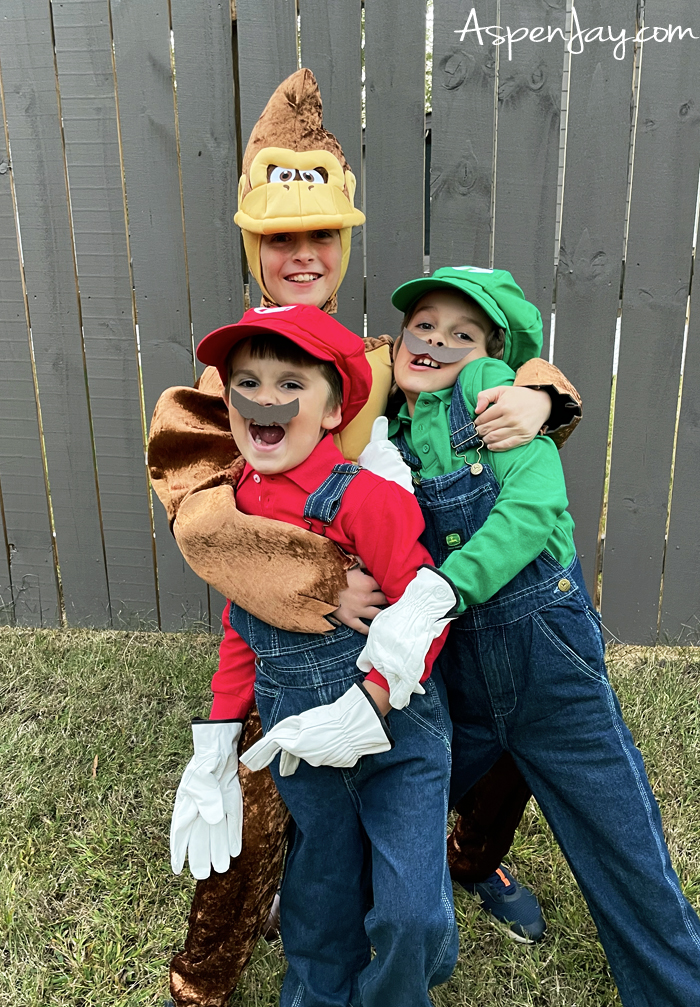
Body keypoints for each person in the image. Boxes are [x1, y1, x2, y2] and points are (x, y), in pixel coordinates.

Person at [150, 70, 582, 1004]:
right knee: (255, 829)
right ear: (254, 247)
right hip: (290, 645)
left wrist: (544, 391)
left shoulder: (383, 360)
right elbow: (205, 523)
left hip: (405, 616)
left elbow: (486, 348)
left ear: (343, 240)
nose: (301, 254)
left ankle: (459, 861)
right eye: (279, 239)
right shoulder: (215, 390)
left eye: (318, 235)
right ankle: (208, 969)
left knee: (505, 715)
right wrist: (315, 586)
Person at [342, 265, 700, 1006]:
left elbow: (534, 506)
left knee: (621, 837)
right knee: (384, 788)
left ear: (494, 352)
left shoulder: (491, 396)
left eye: (461, 333)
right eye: (425, 326)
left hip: (548, 663)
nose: (436, 341)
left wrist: (445, 585)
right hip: (460, 672)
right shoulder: (393, 433)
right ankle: (336, 915)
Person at [173, 301, 458, 1007]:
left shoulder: (366, 498)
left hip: (396, 740)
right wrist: (214, 746)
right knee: (319, 890)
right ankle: (317, 990)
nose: (264, 399)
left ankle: (396, 989)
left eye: (290, 383)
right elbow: (245, 625)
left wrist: (374, 699)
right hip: (298, 738)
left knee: (410, 912)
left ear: (334, 410)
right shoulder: (237, 504)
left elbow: (429, 606)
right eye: (247, 380)